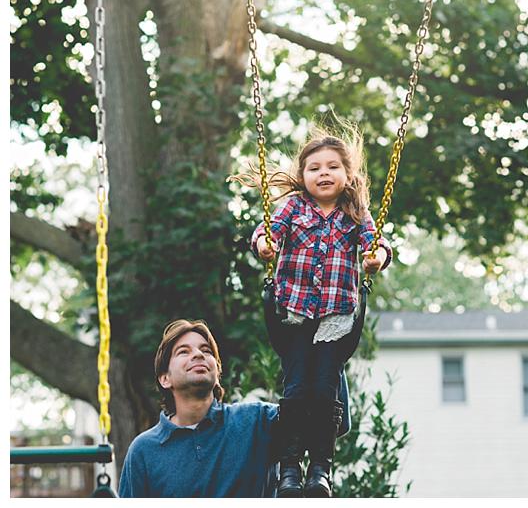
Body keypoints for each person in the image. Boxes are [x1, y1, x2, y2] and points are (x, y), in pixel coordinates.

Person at [229, 118, 392, 497]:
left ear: (347, 175)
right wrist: (264, 246)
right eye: (314, 167)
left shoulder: (356, 213)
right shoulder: (291, 208)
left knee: (324, 389)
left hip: (336, 316)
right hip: (295, 313)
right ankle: (289, 469)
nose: (323, 173)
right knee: (298, 386)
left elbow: (378, 244)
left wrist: (375, 258)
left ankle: (320, 469)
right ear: (302, 175)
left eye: (333, 167)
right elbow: (264, 233)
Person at [117, 318, 351, 497]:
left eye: (206, 350)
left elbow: (329, 424)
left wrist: (329, 350)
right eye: (184, 352)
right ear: (164, 378)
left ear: (217, 373)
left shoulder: (257, 422)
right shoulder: (144, 452)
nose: (198, 354)